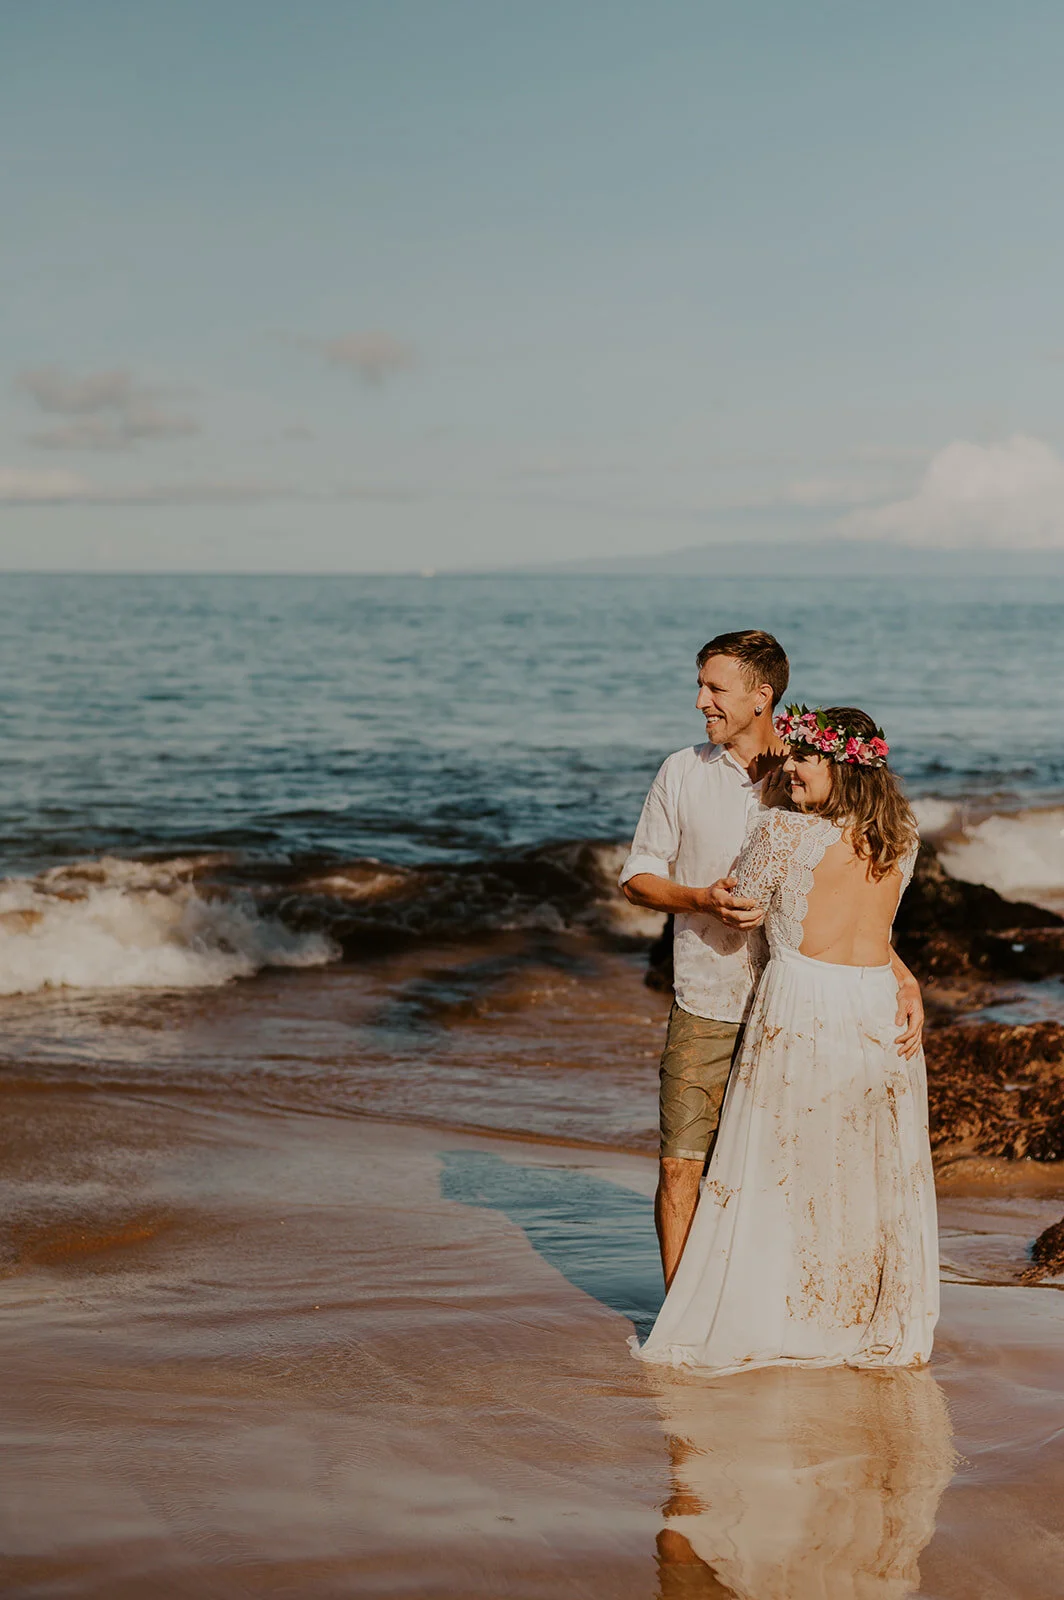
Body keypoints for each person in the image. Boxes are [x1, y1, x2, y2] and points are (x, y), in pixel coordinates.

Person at [632, 706, 939, 1374]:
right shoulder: (903, 835)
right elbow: (880, 936)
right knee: (861, 1170)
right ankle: (853, 1316)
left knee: (779, 1164)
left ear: (842, 768)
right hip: (875, 1007)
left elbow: (740, 903)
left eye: (805, 757)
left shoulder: (780, 830)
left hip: (803, 1004)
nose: (789, 767)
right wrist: (909, 982)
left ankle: (780, 1315)